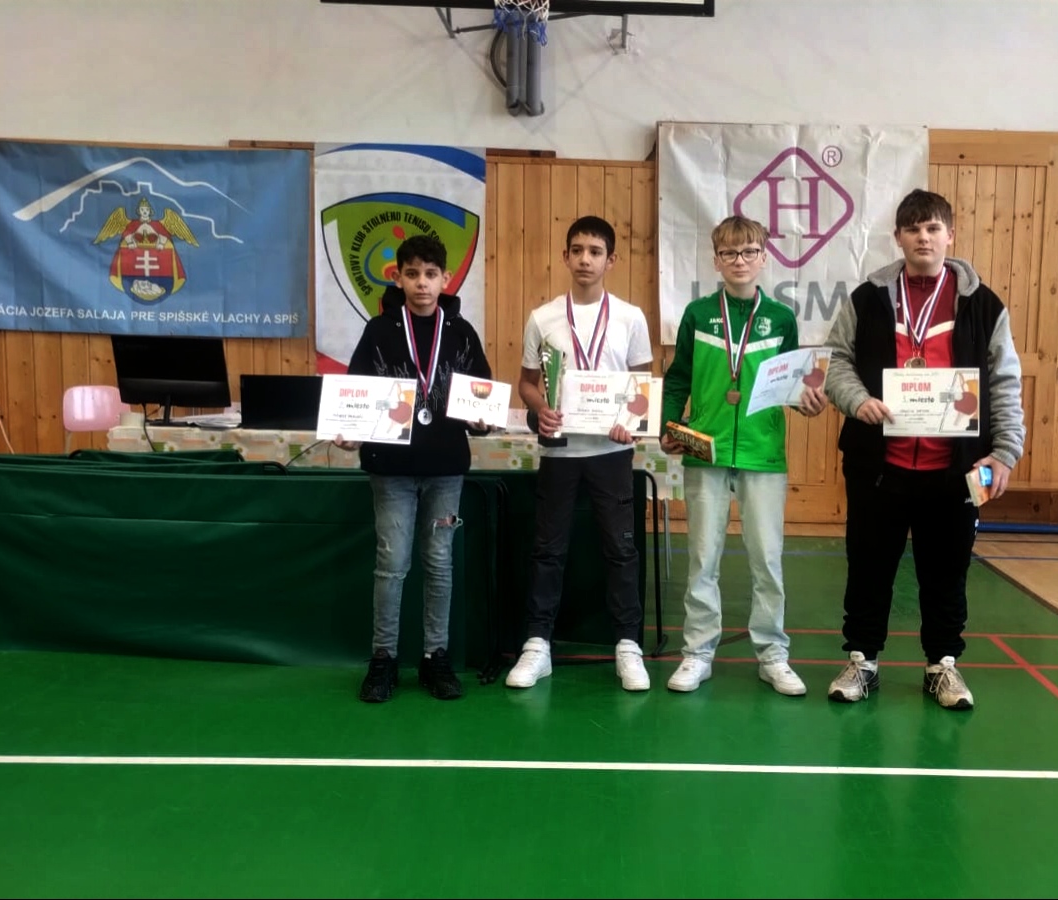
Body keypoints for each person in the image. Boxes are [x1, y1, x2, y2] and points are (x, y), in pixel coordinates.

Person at [823, 189, 1026, 710]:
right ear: (898, 237)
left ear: (949, 235)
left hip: (956, 470)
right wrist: (857, 399)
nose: (923, 237)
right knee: (868, 567)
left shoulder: (983, 304)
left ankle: (943, 665)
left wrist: (1005, 451)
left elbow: (1005, 380)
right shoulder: (867, 298)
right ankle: (862, 660)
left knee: (948, 572)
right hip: (878, 466)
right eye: (913, 229)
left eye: (933, 228)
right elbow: (837, 360)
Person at [660, 215, 827, 696]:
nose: (740, 261)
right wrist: (669, 424)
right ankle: (697, 653)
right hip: (706, 452)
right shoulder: (697, 314)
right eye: (730, 253)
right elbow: (678, 377)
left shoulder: (780, 318)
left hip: (762, 454)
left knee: (767, 560)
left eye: (749, 251)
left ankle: (773, 654)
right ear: (716, 260)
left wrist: (807, 401)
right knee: (702, 560)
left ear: (764, 257)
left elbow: (791, 383)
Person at [335, 234, 493, 703]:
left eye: (430, 274)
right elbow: (355, 392)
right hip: (391, 469)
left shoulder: (461, 332)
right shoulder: (379, 330)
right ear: (397, 277)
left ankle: (434, 657)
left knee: (439, 562)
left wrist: (483, 420)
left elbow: (483, 393)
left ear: (446, 279)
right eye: (412, 274)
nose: (422, 283)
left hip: (445, 467)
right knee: (392, 563)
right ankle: (383, 659)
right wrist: (350, 430)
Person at [505, 215, 655, 692]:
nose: (585, 259)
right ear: (565, 257)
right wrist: (541, 408)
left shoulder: (630, 317)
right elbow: (527, 383)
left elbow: (643, 386)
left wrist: (631, 419)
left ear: (611, 260)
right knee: (548, 549)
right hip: (560, 452)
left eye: (595, 251)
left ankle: (628, 645)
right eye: (577, 250)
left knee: (620, 549)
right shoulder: (543, 317)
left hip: (610, 450)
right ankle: (537, 645)